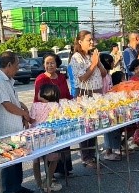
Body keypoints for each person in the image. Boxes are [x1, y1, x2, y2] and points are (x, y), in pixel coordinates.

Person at [0, 51, 35, 193]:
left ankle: (16, 186)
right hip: (4, 127)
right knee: (7, 159)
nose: (18, 68)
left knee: (17, 156)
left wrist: (22, 108)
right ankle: (7, 191)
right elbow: (7, 104)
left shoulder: (8, 80)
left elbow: (13, 100)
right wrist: (24, 114)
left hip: (14, 126)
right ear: (8, 65)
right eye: (16, 65)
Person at [70, 30, 107, 168]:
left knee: (94, 125)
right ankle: (86, 157)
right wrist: (93, 64)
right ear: (80, 42)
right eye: (88, 40)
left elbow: (104, 73)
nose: (92, 42)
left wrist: (98, 62)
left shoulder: (92, 55)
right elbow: (82, 78)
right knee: (86, 126)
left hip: (97, 94)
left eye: (92, 39)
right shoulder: (76, 57)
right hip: (85, 94)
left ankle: (93, 154)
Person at [32, 54, 73, 177]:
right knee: (50, 146)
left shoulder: (61, 77)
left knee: (63, 141)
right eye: (47, 63)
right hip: (48, 115)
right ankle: (50, 175)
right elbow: (38, 98)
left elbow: (67, 94)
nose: (50, 65)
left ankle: (64, 169)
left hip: (62, 113)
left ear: (57, 64)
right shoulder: (41, 79)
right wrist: (52, 106)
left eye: (52, 63)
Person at [29, 84, 63, 192]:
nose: (38, 93)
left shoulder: (35, 105)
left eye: (39, 91)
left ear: (45, 93)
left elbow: (32, 119)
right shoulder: (56, 105)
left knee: (36, 161)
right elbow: (60, 118)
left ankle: (39, 183)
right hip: (51, 135)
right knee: (54, 158)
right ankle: (48, 182)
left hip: (36, 135)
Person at [99, 53, 121, 161]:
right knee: (108, 129)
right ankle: (108, 152)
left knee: (113, 127)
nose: (113, 63)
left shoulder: (108, 75)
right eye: (112, 62)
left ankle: (114, 148)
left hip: (110, 104)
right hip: (105, 105)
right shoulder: (103, 77)